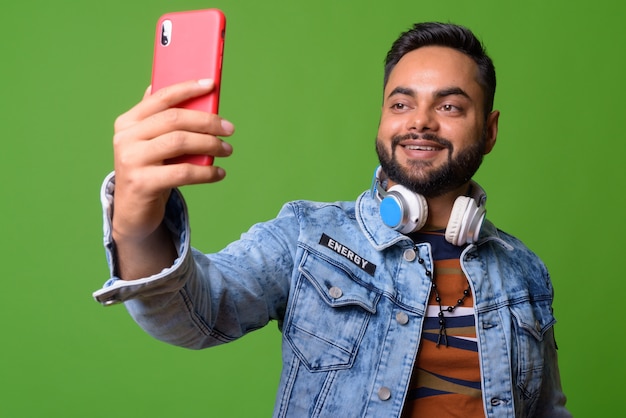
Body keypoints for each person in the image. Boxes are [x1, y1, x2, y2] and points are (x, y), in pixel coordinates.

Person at [94, 22, 570, 417]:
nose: (419, 121)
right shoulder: (307, 237)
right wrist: (137, 225)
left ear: (488, 132)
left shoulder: (525, 272)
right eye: (401, 104)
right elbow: (195, 316)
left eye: (448, 106)